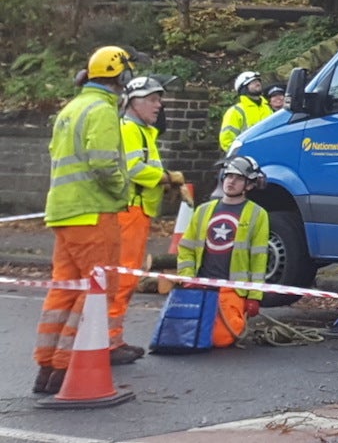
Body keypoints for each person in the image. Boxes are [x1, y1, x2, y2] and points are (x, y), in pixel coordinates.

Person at [34, 47, 133, 396]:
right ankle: (67, 366)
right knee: (97, 290)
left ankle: (46, 367)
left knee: (65, 288)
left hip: (63, 211)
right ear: (121, 77)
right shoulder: (102, 110)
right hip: (93, 212)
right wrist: (124, 190)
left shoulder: (72, 108)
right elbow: (105, 164)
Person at [112, 75, 181, 361]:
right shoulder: (130, 129)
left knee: (127, 276)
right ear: (133, 101)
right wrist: (166, 177)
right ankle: (109, 342)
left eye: (159, 99)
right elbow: (133, 169)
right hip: (129, 212)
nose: (159, 105)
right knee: (123, 277)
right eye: (152, 99)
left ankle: (113, 339)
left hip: (137, 212)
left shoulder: (143, 131)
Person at [175, 156, 271, 350]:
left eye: (238, 178)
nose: (231, 181)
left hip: (232, 290)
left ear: (249, 185)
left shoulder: (257, 214)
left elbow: (259, 259)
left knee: (222, 339)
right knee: (184, 337)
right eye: (228, 176)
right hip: (200, 287)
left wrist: (254, 296)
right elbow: (186, 248)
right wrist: (187, 278)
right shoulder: (203, 211)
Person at [219, 71, 273, 154]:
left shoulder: (268, 108)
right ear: (243, 88)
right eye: (253, 82)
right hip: (245, 159)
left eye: (258, 81)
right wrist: (241, 155)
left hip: (267, 156)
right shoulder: (235, 111)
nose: (257, 83)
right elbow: (227, 140)